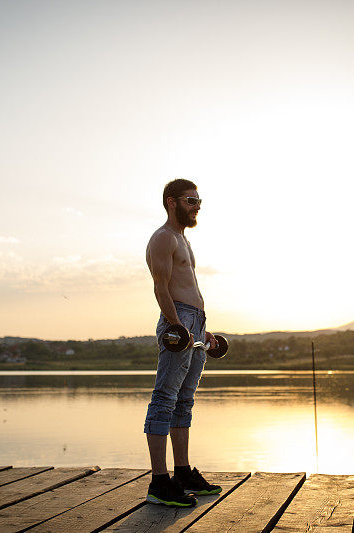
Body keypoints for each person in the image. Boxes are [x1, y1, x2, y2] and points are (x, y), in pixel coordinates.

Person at [143, 179, 222, 507]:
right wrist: (177, 326)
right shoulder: (163, 238)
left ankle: (183, 472)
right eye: (191, 200)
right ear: (171, 202)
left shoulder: (182, 240)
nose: (197, 205)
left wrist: (201, 330)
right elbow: (161, 286)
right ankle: (160, 483)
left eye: (199, 200)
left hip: (195, 325)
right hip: (179, 323)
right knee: (165, 398)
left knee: (184, 401)